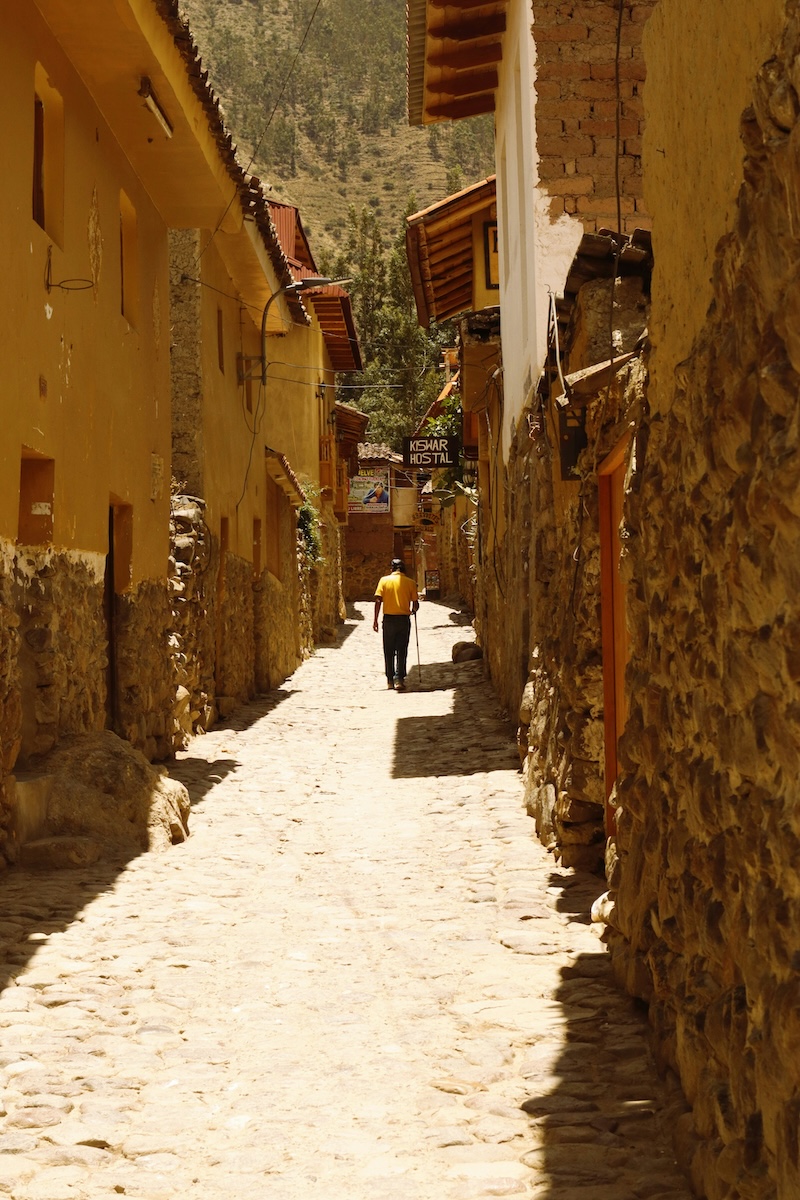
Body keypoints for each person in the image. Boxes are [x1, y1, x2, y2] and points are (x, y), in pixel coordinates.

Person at [373, 558, 419, 691]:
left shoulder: (384, 580)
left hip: (388, 620)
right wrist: (413, 611)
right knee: (401, 649)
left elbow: (378, 600)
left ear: (391, 569)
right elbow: (415, 604)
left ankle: (389, 679)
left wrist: (375, 619)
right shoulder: (410, 582)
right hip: (403, 620)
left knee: (388, 650)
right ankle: (399, 679)